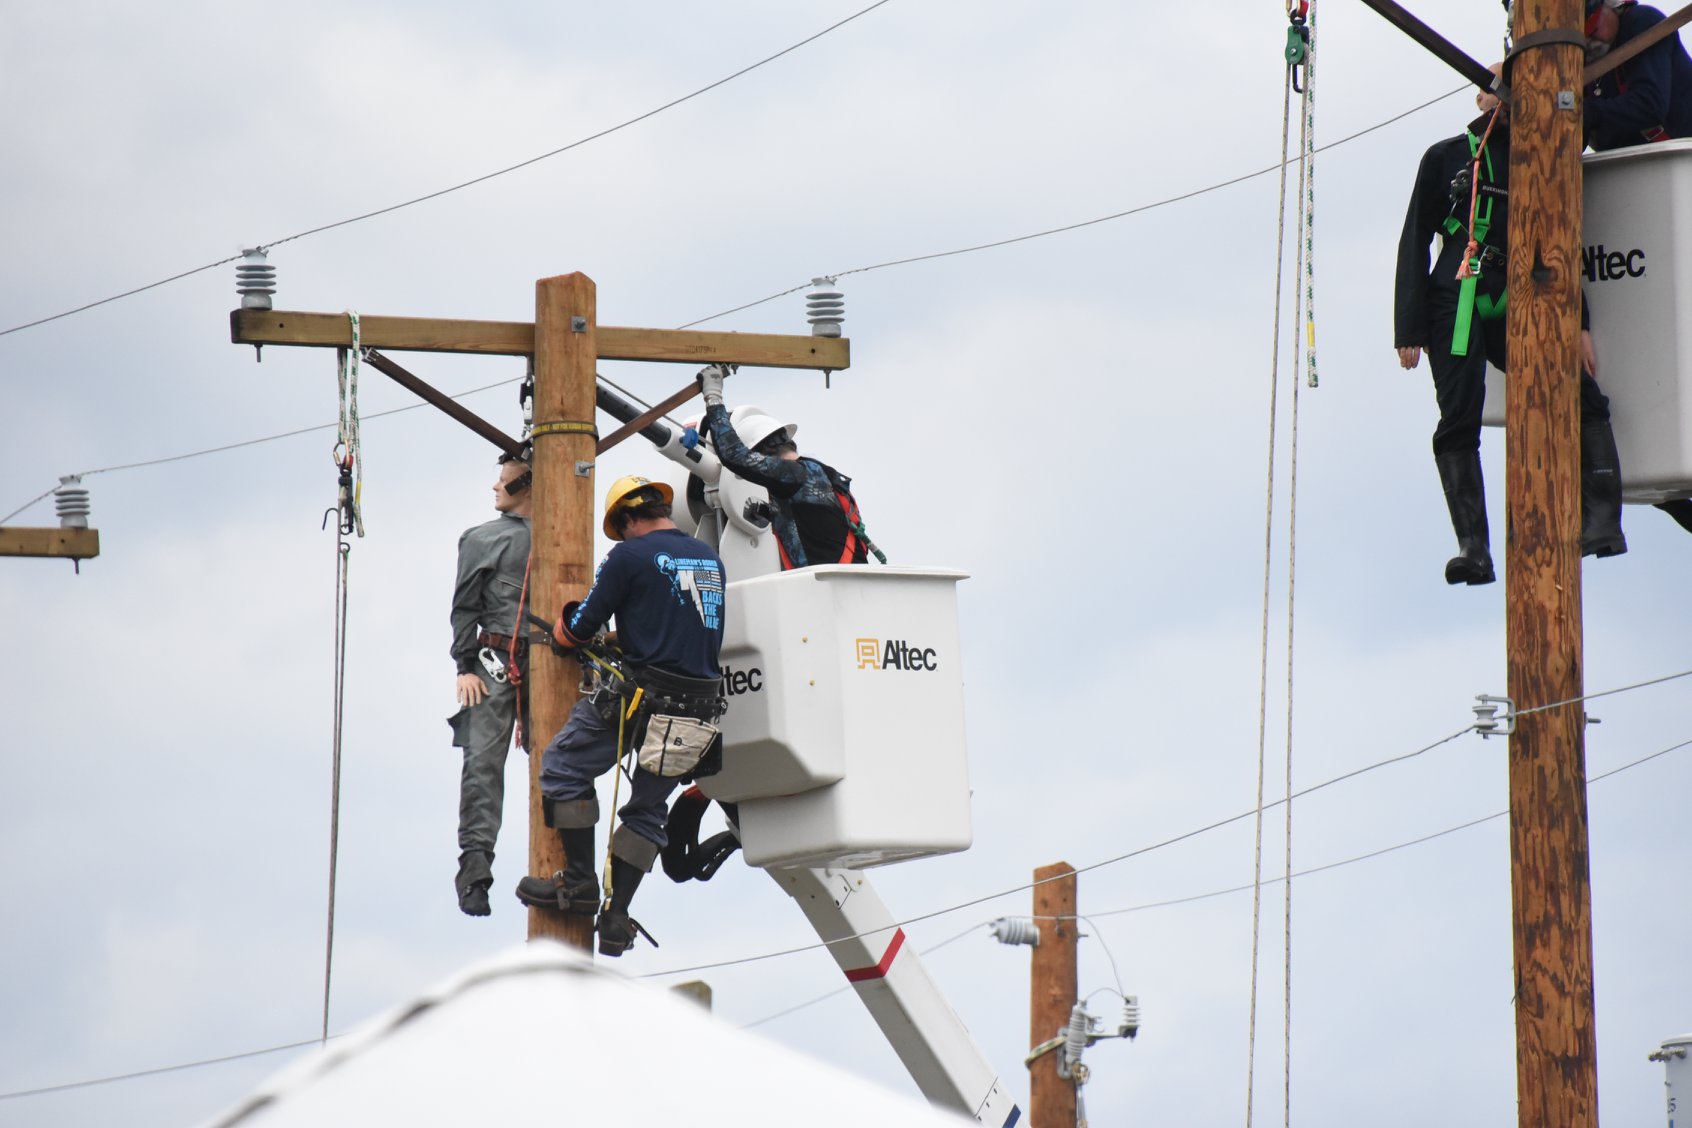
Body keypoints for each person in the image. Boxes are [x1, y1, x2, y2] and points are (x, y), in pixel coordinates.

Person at [1395, 66, 1627, 585]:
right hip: (1456, 293)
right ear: (1481, 98)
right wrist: (1408, 330)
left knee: (1575, 386)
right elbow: (1414, 239)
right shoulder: (1447, 157)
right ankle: (1473, 548)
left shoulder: (1540, 155)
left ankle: (1603, 520)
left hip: (1520, 283)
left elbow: (1562, 243)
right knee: (1459, 416)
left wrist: (1579, 322)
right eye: (1497, 88)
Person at [516, 475, 727, 956]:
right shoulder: (711, 560)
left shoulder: (628, 557)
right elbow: (676, 623)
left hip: (643, 699)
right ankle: (616, 917)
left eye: (622, 527)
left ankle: (580, 883)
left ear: (629, 519)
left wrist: (570, 634)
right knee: (648, 810)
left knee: (563, 769)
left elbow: (578, 627)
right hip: (698, 710)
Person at [1585, 0, 1692, 534]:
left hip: (1676, 176)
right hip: (1638, 196)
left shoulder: (1642, 26)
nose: (1593, 42)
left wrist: (1573, 109)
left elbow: (1651, 104)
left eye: (1593, 27)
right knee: (1645, 391)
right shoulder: (1578, 57)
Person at [446, 453, 533, 916]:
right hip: (495, 661)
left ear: (528, 487)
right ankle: (475, 872)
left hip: (550, 662)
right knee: (482, 764)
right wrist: (464, 666)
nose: (495, 488)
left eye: (504, 482)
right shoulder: (483, 539)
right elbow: (466, 607)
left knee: (561, 766)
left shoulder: (567, 534)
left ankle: (564, 868)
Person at [695, 364, 881, 569]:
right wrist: (766, 512)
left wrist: (713, 396)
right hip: (848, 583)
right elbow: (813, 521)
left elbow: (733, 454)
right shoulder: (819, 474)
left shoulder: (793, 475)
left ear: (761, 453)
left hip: (833, 588)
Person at [1584, 0, 1692, 152]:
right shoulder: (1581, 58)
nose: (1588, 42)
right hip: (1623, 163)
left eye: (1592, 28)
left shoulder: (1642, 21)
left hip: (1679, 158)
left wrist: (1589, 112)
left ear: (1612, 6)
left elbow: (1650, 104)